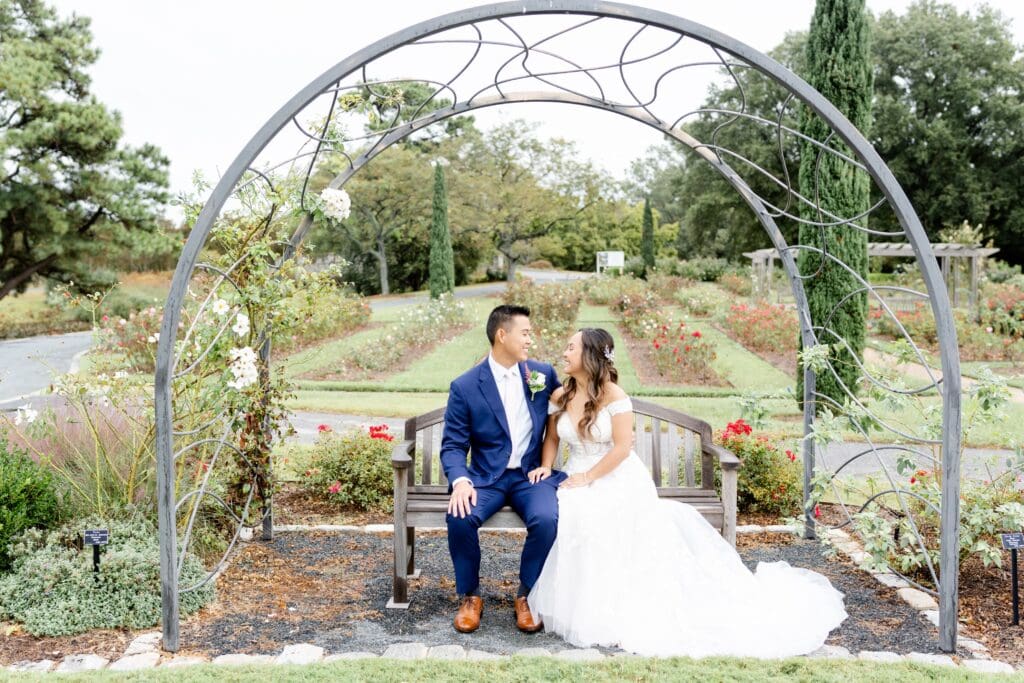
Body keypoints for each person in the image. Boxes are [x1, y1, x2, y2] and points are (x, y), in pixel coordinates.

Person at [527, 327, 848, 658]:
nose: (564, 353)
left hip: (614, 476)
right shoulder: (560, 396)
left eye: (571, 348)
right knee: (571, 514)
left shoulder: (615, 397)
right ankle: (585, 602)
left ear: (590, 357)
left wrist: (588, 477)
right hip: (576, 474)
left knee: (597, 515)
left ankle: (622, 607)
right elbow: (551, 438)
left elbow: (622, 449)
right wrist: (548, 467)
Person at [440, 304, 566, 634]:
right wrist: (461, 480)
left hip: (530, 475)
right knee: (459, 515)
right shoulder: (465, 386)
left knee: (547, 518)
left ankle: (527, 595)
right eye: (524, 333)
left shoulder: (541, 373)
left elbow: (574, 401)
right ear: (502, 334)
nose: (530, 339)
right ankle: (470, 596)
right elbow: (453, 445)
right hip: (486, 477)